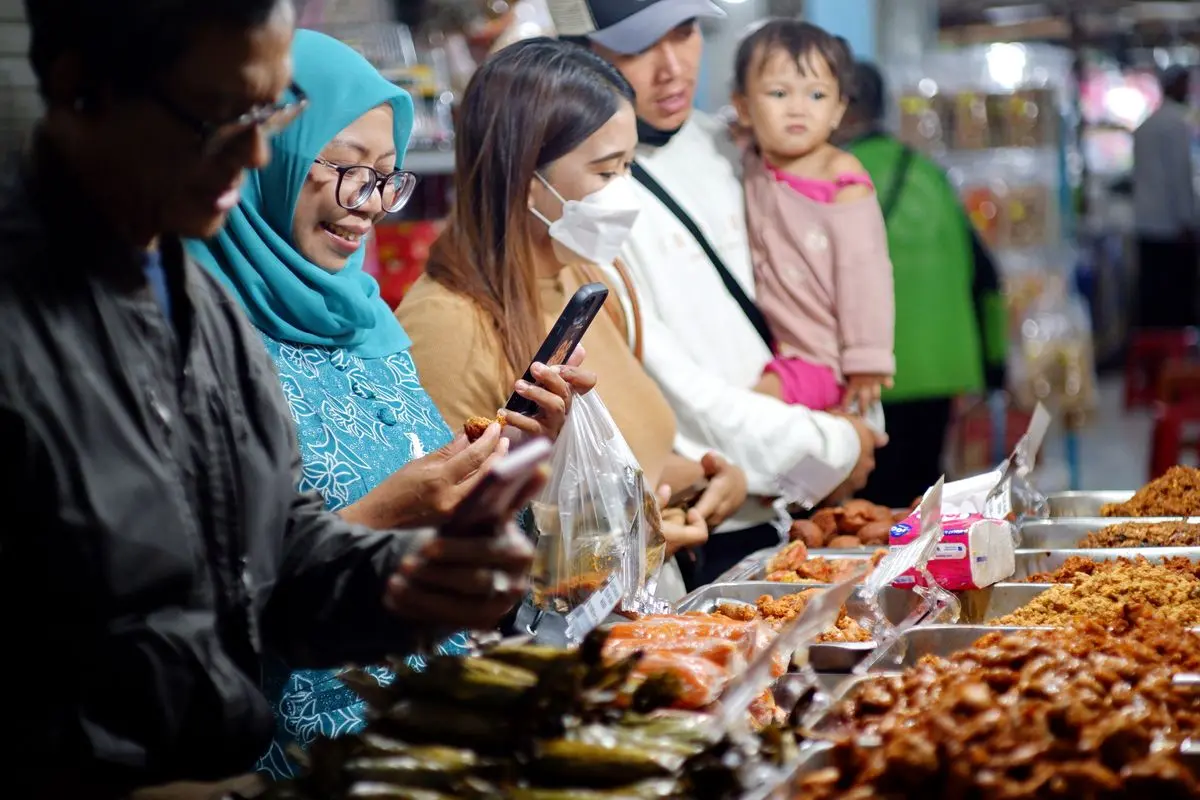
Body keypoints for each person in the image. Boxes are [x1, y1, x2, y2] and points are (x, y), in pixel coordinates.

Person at [2, 2, 537, 796]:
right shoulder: (22, 324)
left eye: (267, 114)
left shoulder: (196, 301)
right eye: (219, 114)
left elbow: (271, 553)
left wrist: (407, 579)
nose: (256, 152)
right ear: (84, 90)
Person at [185, 29, 584, 780]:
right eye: (345, 170)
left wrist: (521, 453)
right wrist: (389, 516)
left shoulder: (367, 319)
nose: (370, 205)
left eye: (386, 178)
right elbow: (207, 596)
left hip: (434, 734)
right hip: (305, 760)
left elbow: (449, 529)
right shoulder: (202, 340)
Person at [397, 38, 751, 598]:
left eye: (630, 165)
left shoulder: (588, 277)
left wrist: (701, 479)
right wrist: (639, 536)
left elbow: (620, 455)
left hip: (649, 617)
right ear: (523, 175)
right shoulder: (447, 325)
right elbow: (459, 541)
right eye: (605, 170)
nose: (624, 193)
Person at [549, 0, 882, 584]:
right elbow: (678, 393)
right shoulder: (591, 201)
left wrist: (857, 418)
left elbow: (826, 287)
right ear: (584, 54)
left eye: (685, 33)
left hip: (805, 491)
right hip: (711, 519)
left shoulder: (735, 146)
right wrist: (834, 447)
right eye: (637, 46)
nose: (672, 67)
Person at [837, 61, 1008, 507]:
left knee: (868, 510)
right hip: (941, 367)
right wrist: (994, 364)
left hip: (866, 374)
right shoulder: (927, 172)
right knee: (921, 501)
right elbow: (986, 275)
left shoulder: (832, 175)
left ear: (842, 108)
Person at [732, 20, 895, 418]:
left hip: (824, 360)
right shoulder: (753, 158)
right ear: (743, 107)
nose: (798, 108)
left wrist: (867, 358)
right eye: (778, 93)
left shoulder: (842, 181)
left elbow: (866, 276)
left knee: (746, 413)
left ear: (839, 108)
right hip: (774, 344)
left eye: (817, 95)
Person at [1133, 65, 1198, 328]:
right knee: (1174, 303)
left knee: (1153, 299)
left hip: (1147, 224)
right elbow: (1179, 178)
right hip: (1170, 228)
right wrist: (1187, 221)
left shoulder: (1148, 125)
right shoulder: (1175, 125)